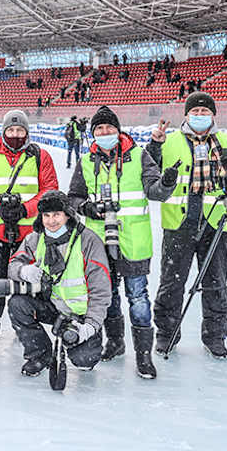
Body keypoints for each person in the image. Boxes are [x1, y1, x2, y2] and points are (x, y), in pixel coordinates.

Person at [67, 106, 177, 379]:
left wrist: (167, 183)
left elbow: (155, 191)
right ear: (93, 134)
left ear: (118, 130)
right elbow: (73, 198)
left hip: (133, 241)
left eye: (109, 128)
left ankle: (144, 356)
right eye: (99, 130)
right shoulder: (85, 161)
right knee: (109, 297)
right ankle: (115, 342)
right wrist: (88, 208)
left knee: (138, 298)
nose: (104, 133)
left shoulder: (139, 156)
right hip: (98, 242)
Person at [146, 92, 227, 359]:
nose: (200, 116)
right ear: (186, 115)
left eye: (205, 112)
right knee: (171, 284)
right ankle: (167, 335)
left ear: (213, 115)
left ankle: (215, 337)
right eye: (196, 111)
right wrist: (154, 145)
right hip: (179, 224)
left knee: (215, 283)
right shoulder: (168, 142)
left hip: (216, 224)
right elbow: (148, 172)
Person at [0, 110, 58, 351]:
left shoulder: (40, 156)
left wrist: (25, 210)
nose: (15, 135)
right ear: (3, 131)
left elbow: (49, 190)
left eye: (20, 131)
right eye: (11, 130)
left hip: (29, 235)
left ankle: (28, 326)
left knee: (31, 283)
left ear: (27, 132)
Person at [7, 191, 111, 377]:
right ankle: (40, 354)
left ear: (68, 214)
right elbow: (12, 266)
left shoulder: (88, 241)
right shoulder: (35, 239)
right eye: (46, 215)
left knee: (84, 361)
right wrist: (24, 271)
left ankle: (85, 338)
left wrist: (89, 326)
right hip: (52, 306)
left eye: (56, 215)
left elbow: (101, 292)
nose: (51, 221)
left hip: (80, 314)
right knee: (18, 304)